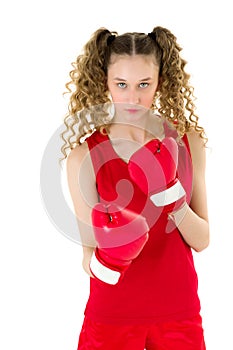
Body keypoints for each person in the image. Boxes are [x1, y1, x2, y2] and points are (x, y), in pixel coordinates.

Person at [61, 26, 209, 350]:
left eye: (144, 84)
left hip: (178, 311)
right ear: (105, 83)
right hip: (112, 314)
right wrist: (114, 255)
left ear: (160, 82)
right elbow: (88, 258)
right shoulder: (83, 155)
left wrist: (170, 194)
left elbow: (202, 240)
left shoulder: (188, 142)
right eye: (121, 85)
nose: (132, 98)